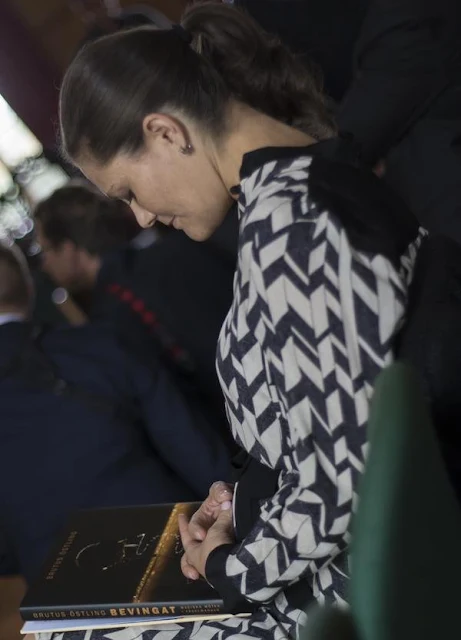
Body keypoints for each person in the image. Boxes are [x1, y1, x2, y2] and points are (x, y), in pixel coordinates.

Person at [55, 3, 423, 639]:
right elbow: (320, 425)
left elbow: (344, 482)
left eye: (129, 191)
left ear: (166, 133)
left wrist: (227, 564)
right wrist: (236, 502)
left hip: (343, 591)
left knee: (73, 627)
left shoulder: (295, 230)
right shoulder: (296, 196)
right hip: (321, 560)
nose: (140, 218)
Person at [0, 241, 232, 582]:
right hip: (177, 559)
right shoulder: (99, 344)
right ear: (30, 288)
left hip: (62, 596)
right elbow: (194, 447)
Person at [34, 184, 235, 432]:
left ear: (69, 249)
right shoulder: (177, 248)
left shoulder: (111, 317)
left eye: (45, 250)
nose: (44, 265)